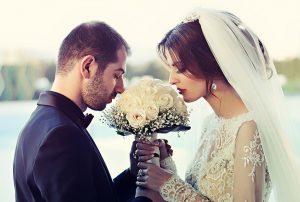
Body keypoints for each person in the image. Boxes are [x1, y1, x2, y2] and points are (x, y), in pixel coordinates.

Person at [135, 8, 300, 201]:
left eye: (180, 68)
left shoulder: (249, 128)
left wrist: (170, 184)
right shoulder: (211, 122)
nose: (171, 80)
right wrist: (165, 164)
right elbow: (200, 191)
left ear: (210, 62)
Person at [13, 21, 157, 202]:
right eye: (117, 75)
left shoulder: (44, 121)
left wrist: (133, 174)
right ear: (88, 66)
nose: (121, 88)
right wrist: (149, 198)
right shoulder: (61, 135)